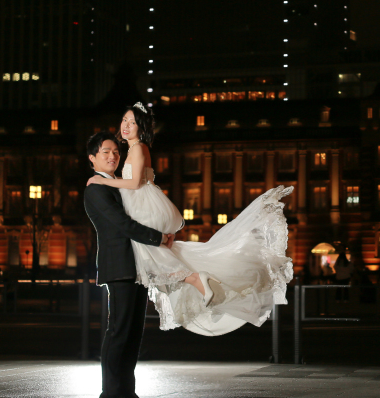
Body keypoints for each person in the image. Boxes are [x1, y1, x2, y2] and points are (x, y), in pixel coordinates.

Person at [87, 102, 294, 337]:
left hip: (143, 205)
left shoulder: (137, 148)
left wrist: (103, 180)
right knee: (157, 252)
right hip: (148, 204)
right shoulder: (137, 149)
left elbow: (134, 184)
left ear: (141, 127)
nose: (126, 126)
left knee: (149, 251)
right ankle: (195, 277)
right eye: (124, 120)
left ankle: (194, 278)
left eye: (132, 122)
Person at [84, 131, 174, 398]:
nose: (112, 156)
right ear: (92, 158)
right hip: (120, 265)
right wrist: (157, 237)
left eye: (115, 152)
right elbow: (122, 223)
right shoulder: (96, 189)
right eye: (105, 152)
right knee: (119, 330)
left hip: (137, 265)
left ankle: (127, 393)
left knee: (134, 332)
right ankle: (110, 393)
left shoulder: (118, 185)